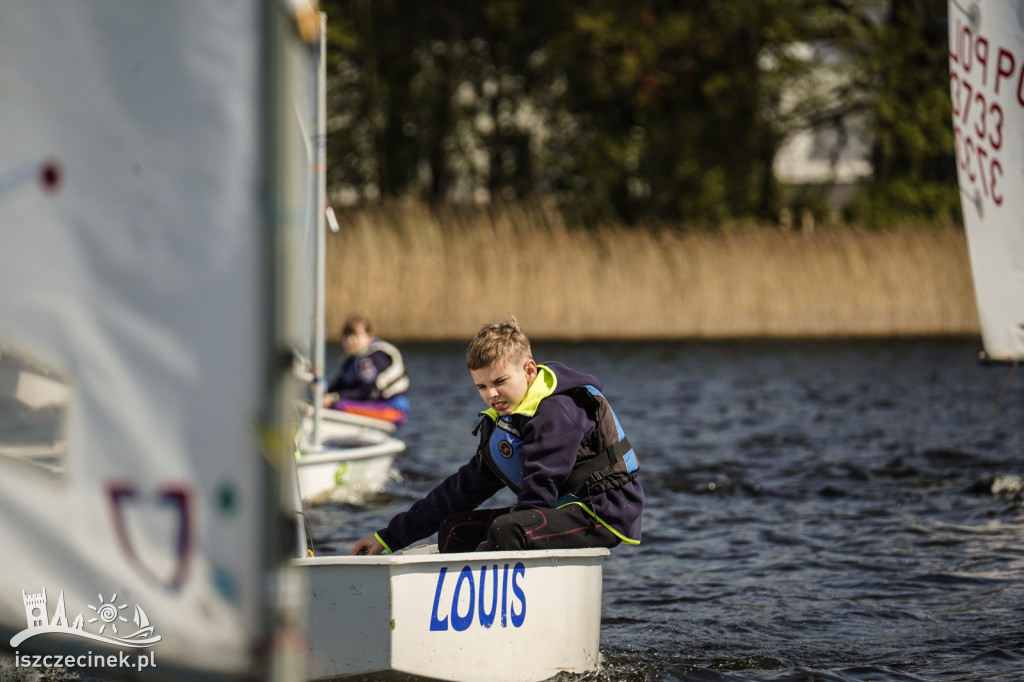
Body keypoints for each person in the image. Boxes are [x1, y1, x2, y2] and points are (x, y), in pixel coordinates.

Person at [350, 316, 644, 555]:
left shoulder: (557, 413)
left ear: (529, 370)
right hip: (558, 510)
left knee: (508, 529)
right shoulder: (507, 421)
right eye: (481, 386)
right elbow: (459, 491)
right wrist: (388, 538)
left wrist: (483, 554)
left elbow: (537, 499)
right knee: (455, 527)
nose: (491, 394)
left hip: (602, 514)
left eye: (500, 381)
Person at [322, 314, 410, 426]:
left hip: (393, 409)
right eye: (347, 336)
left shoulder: (374, 358)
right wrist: (322, 398)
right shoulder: (351, 360)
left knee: (339, 406)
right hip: (375, 405)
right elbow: (339, 385)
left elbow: (365, 391)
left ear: (369, 336)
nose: (351, 340)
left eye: (355, 336)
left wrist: (334, 397)